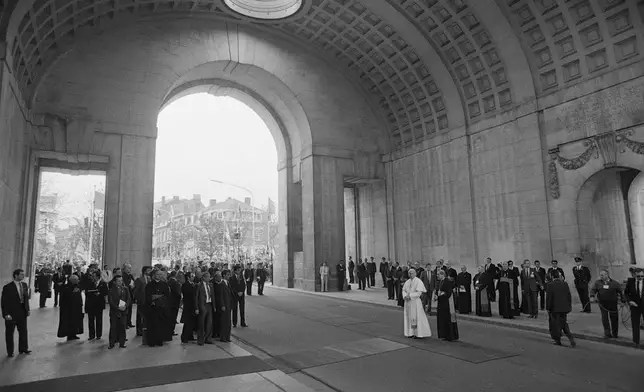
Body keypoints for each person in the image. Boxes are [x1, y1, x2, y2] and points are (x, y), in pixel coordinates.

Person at [2, 269, 31, 357]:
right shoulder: (7, 287)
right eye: (21, 274)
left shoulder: (24, 285)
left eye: (23, 274)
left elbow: (26, 299)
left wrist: (28, 309)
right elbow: (4, 302)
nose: (23, 276)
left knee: (23, 331)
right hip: (11, 313)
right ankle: (10, 352)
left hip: (22, 312)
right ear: (15, 275)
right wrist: (6, 314)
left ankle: (23, 349)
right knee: (10, 333)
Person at [590, 269, 624, 339]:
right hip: (602, 303)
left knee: (614, 319)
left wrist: (622, 301)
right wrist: (592, 296)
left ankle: (615, 334)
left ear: (607, 275)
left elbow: (621, 292)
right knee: (604, 319)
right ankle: (607, 333)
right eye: (600, 275)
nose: (600, 276)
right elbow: (593, 290)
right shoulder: (597, 283)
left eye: (602, 275)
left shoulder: (615, 283)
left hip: (612, 303)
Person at [546, 270, 576, 347]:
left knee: (555, 325)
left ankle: (557, 340)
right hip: (564, 308)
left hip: (554, 308)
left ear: (552, 276)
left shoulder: (550, 285)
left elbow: (549, 298)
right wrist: (569, 306)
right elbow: (568, 296)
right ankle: (570, 337)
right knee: (563, 323)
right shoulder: (565, 284)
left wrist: (548, 308)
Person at [402, 269, 431, 339]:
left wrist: (410, 296)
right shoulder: (407, 282)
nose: (410, 274)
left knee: (417, 317)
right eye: (409, 273)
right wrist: (405, 296)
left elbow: (419, 293)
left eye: (411, 273)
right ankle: (411, 333)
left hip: (415, 302)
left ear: (415, 274)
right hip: (408, 302)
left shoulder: (418, 281)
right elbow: (403, 290)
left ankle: (418, 333)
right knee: (409, 317)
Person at [145, 269, 171, 347]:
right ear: (154, 275)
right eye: (157, 274)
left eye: (160, 274)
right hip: (152, 308)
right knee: (152, 324)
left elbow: (167, 296)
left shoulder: (164, 284)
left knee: (160, 324)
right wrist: (152, 300)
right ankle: (151, 341)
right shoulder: (149, 285)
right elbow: (147, 296)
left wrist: (161, 300)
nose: (159, 276)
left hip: (161, 307)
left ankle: (159, 340)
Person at [57, 274, 84, 341]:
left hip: (77, 308)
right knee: (70, 322)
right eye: (77, 280)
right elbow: (64, 298)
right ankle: (69, 335)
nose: (78, 281)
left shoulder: (78, 286)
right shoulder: (66, 287)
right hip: (69, 309)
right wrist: (72, 293)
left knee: (76, 321)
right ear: (73, 281)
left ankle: (74, 334)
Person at [435, 269, 459, 341]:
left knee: (447, 318)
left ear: (442, 274)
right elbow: (438, 290)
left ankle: (450, 336)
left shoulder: (447, 281)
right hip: (441, 302)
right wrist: (437, 295)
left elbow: (448, 292)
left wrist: (441, 294)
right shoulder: (440, 282)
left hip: (446, 303)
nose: (437, 276)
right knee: (442, 319)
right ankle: (443, 335)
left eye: (438, 274)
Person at [108, 275, 131, 349]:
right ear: (114, 282)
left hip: (123, 311)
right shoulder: (111, 290)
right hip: (114, 312)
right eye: (118, 281)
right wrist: (117, 307)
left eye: (121, 281)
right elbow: (111, 301)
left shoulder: (125, 289)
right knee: (113, 328)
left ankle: (122, 343)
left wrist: (125, 306)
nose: (120, 282)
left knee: (122, 327)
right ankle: (111, 343)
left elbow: (128, 299)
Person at [85, 270, 109, 340]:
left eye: (94, 276)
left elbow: (105, 292)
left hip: (99, 304)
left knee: (99, 320)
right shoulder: (89, 283)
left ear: (98, 277)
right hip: (91, 304)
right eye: (92, 276)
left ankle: (99, 335)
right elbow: (86, 292)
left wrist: (100, 294)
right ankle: (91, 335)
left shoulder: (103, 284)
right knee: (91, 320)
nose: (93, 278)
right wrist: (91, 293)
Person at [624, 268, 643, 346]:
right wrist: (629, 301)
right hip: (634, 305)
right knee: (635, 324)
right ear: (634, 275)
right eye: (638, 276)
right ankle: (636, 341)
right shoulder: (630, 282)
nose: (641, 278)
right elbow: (626, 293)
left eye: (642, 276)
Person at [195, 271, 214, 345]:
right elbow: (196, 297)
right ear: (204, 278)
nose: (209, 278)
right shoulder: (199, 285)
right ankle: (200, 340)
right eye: (208, 277)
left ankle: (208, 338)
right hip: (202, 305)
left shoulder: (210, 285)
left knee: (209, 322)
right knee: (201, 323)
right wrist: (196, 307)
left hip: (209, 304)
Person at [215, 270, 233, 342]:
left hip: (229, 304)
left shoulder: (228, 283)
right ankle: (223, 337)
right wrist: (222, 305)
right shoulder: (222, 284)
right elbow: (221, 295)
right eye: (228, 275)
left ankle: (228, 337)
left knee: (228, 322)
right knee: (224, 322)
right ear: (224, 275)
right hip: (224, 305)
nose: (229, 276)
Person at [181, 272, 196, 343]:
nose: (193, 277)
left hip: (192, 306)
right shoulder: (185, 285)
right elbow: (189, 294)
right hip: (188, 306)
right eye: (192, 276)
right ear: (188, 277)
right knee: (187, 322)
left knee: (192, 322)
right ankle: (184, 337)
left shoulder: (192, 284)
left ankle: (190, 336)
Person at [167, 271, 182, 338]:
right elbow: (178, 293)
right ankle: (171, 331)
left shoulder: (168, 281)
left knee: (170, 317)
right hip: (175, 303)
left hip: (169, 302)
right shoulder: (175, 283)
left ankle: (168, 331)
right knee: (173, 318)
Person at [122, 264, 136, 329]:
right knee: (125, 309)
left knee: (130, 309)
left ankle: (129, 322)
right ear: (125, 268)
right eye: (128, 268)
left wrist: (134, 285)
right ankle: (125, 323)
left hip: (130, 293)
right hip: (125, 294)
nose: (129, 269)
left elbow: (134, 282)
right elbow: (124, 284)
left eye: (130, 268)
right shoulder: (123, 276)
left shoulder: (130, 275)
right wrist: (129, 285)